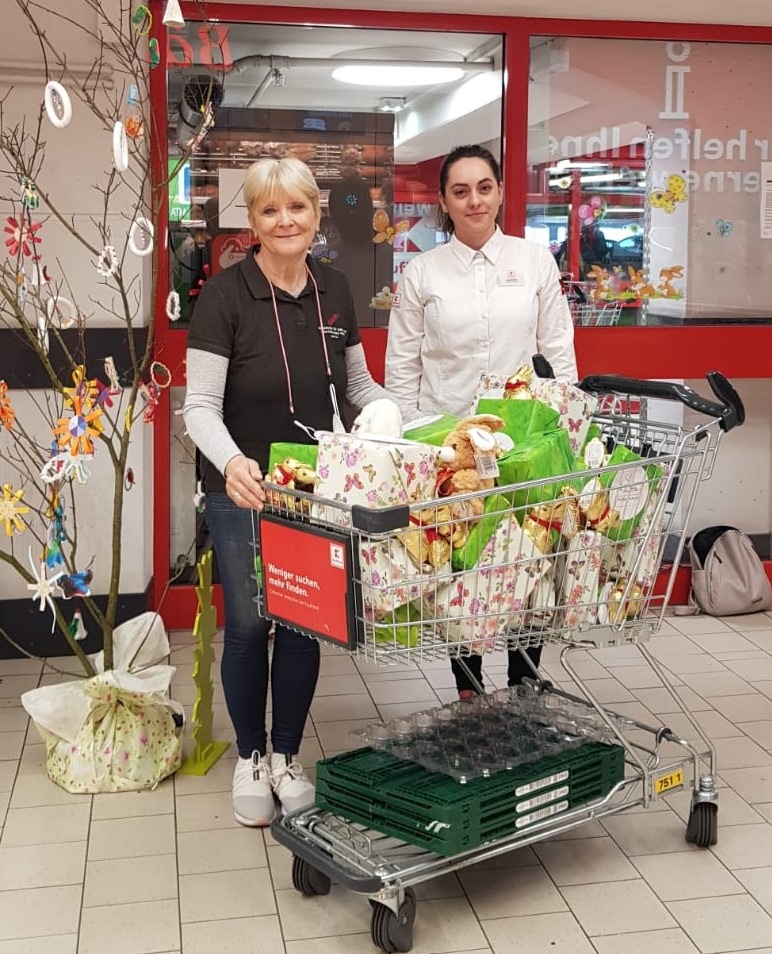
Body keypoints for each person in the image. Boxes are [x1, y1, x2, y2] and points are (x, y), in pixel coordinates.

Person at [184, 157, 390, 827]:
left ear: (315, 213)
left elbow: (356, 388)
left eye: (296, 207)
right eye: (270, 210)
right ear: (253, 220)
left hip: (312, 489)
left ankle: (285, 756)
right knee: (249, 626)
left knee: (304, 624)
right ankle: (248, 756)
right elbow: (199, 409)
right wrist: (234, 463)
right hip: (240, 486)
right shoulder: (224, 296)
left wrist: (394, 420)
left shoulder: (334, 291)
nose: (285, 221)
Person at [384, 144, 578, 699]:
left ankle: (523, 683)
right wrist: (413, 441)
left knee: (527, 555)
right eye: (461, 191)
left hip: (524, 440)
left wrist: (565, 422)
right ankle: (467, 689)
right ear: (444, 201)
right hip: (452, 443)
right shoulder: (423, 272)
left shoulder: (533, 261)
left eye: (484, 187)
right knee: (462, 559)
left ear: (500, 193)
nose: (475, 200)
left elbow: (558, 350)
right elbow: (402, 366)